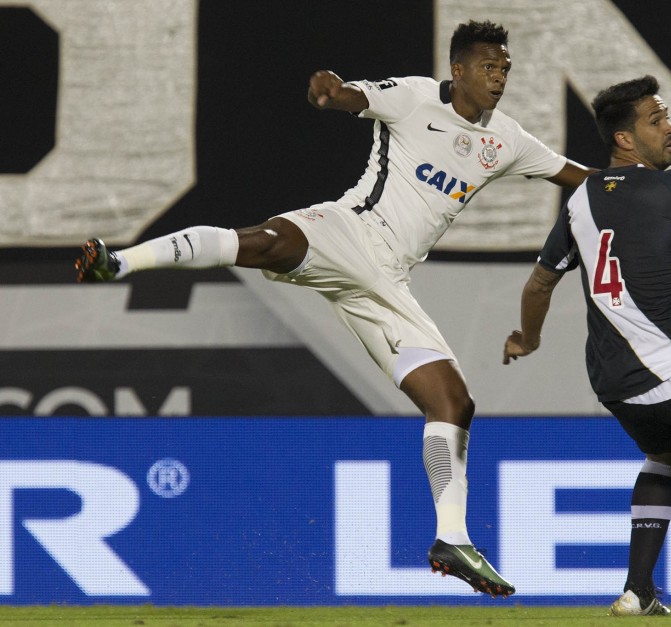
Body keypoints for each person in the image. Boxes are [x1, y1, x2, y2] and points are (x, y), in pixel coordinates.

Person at [75, 20, 595, 597]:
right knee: (263, 240)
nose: (500, 78)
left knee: (453, 401)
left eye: (505, 68)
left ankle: (451, 539)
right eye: (489, 67)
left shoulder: (508, 139)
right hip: (349, 230)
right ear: (458, 69)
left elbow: (587, 183)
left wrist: (669, 205)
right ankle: (119, 262)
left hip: (387, 283)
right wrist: (331, 89)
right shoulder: (415, 96)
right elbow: (352, 95)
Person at [502, 75, 671, 616]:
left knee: (664, 456)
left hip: (613, 380)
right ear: (625, 138)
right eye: (656, 120)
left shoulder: (579, 198)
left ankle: (638, 591)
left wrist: (526, 339)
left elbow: (538, 284)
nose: (670, 128)